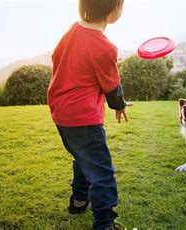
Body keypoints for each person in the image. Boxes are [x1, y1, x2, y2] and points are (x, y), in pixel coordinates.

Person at [47, 0, 130, 229]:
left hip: (61, 113)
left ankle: (79, 200)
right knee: (102, 173)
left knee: (82, 158)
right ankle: (105, 224)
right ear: (113, 9)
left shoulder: (72, 30)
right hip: (83, 117)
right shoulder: (105, 47)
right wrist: (119, 105)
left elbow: (56, 58)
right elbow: (111, 85)